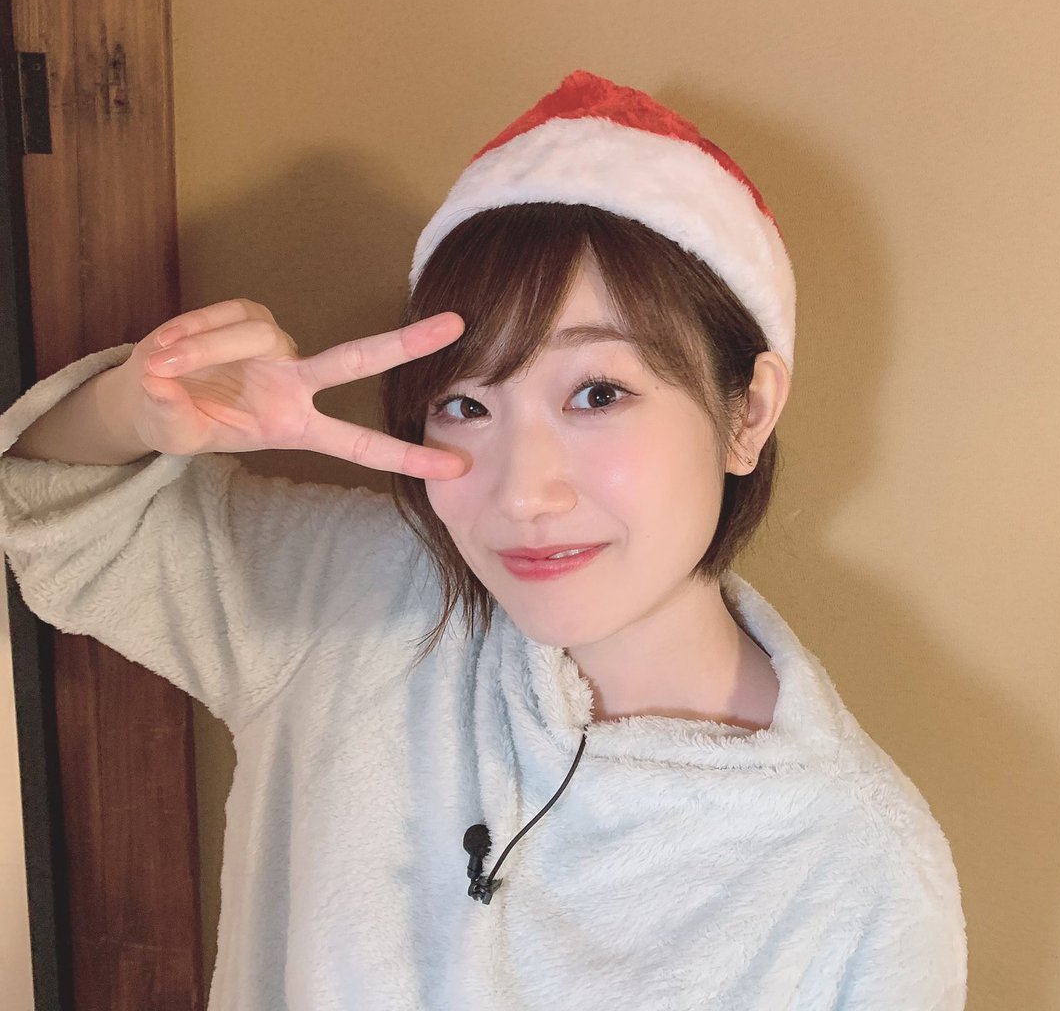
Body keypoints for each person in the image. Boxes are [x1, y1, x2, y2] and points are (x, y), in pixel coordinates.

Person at [0, 70, 967, 1009]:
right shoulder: (358, 602)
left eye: (598, 393)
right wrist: (138, 410)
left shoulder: (861, 870)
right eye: (465, 403)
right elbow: (63, 513)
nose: (522, 492)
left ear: (746, 412)